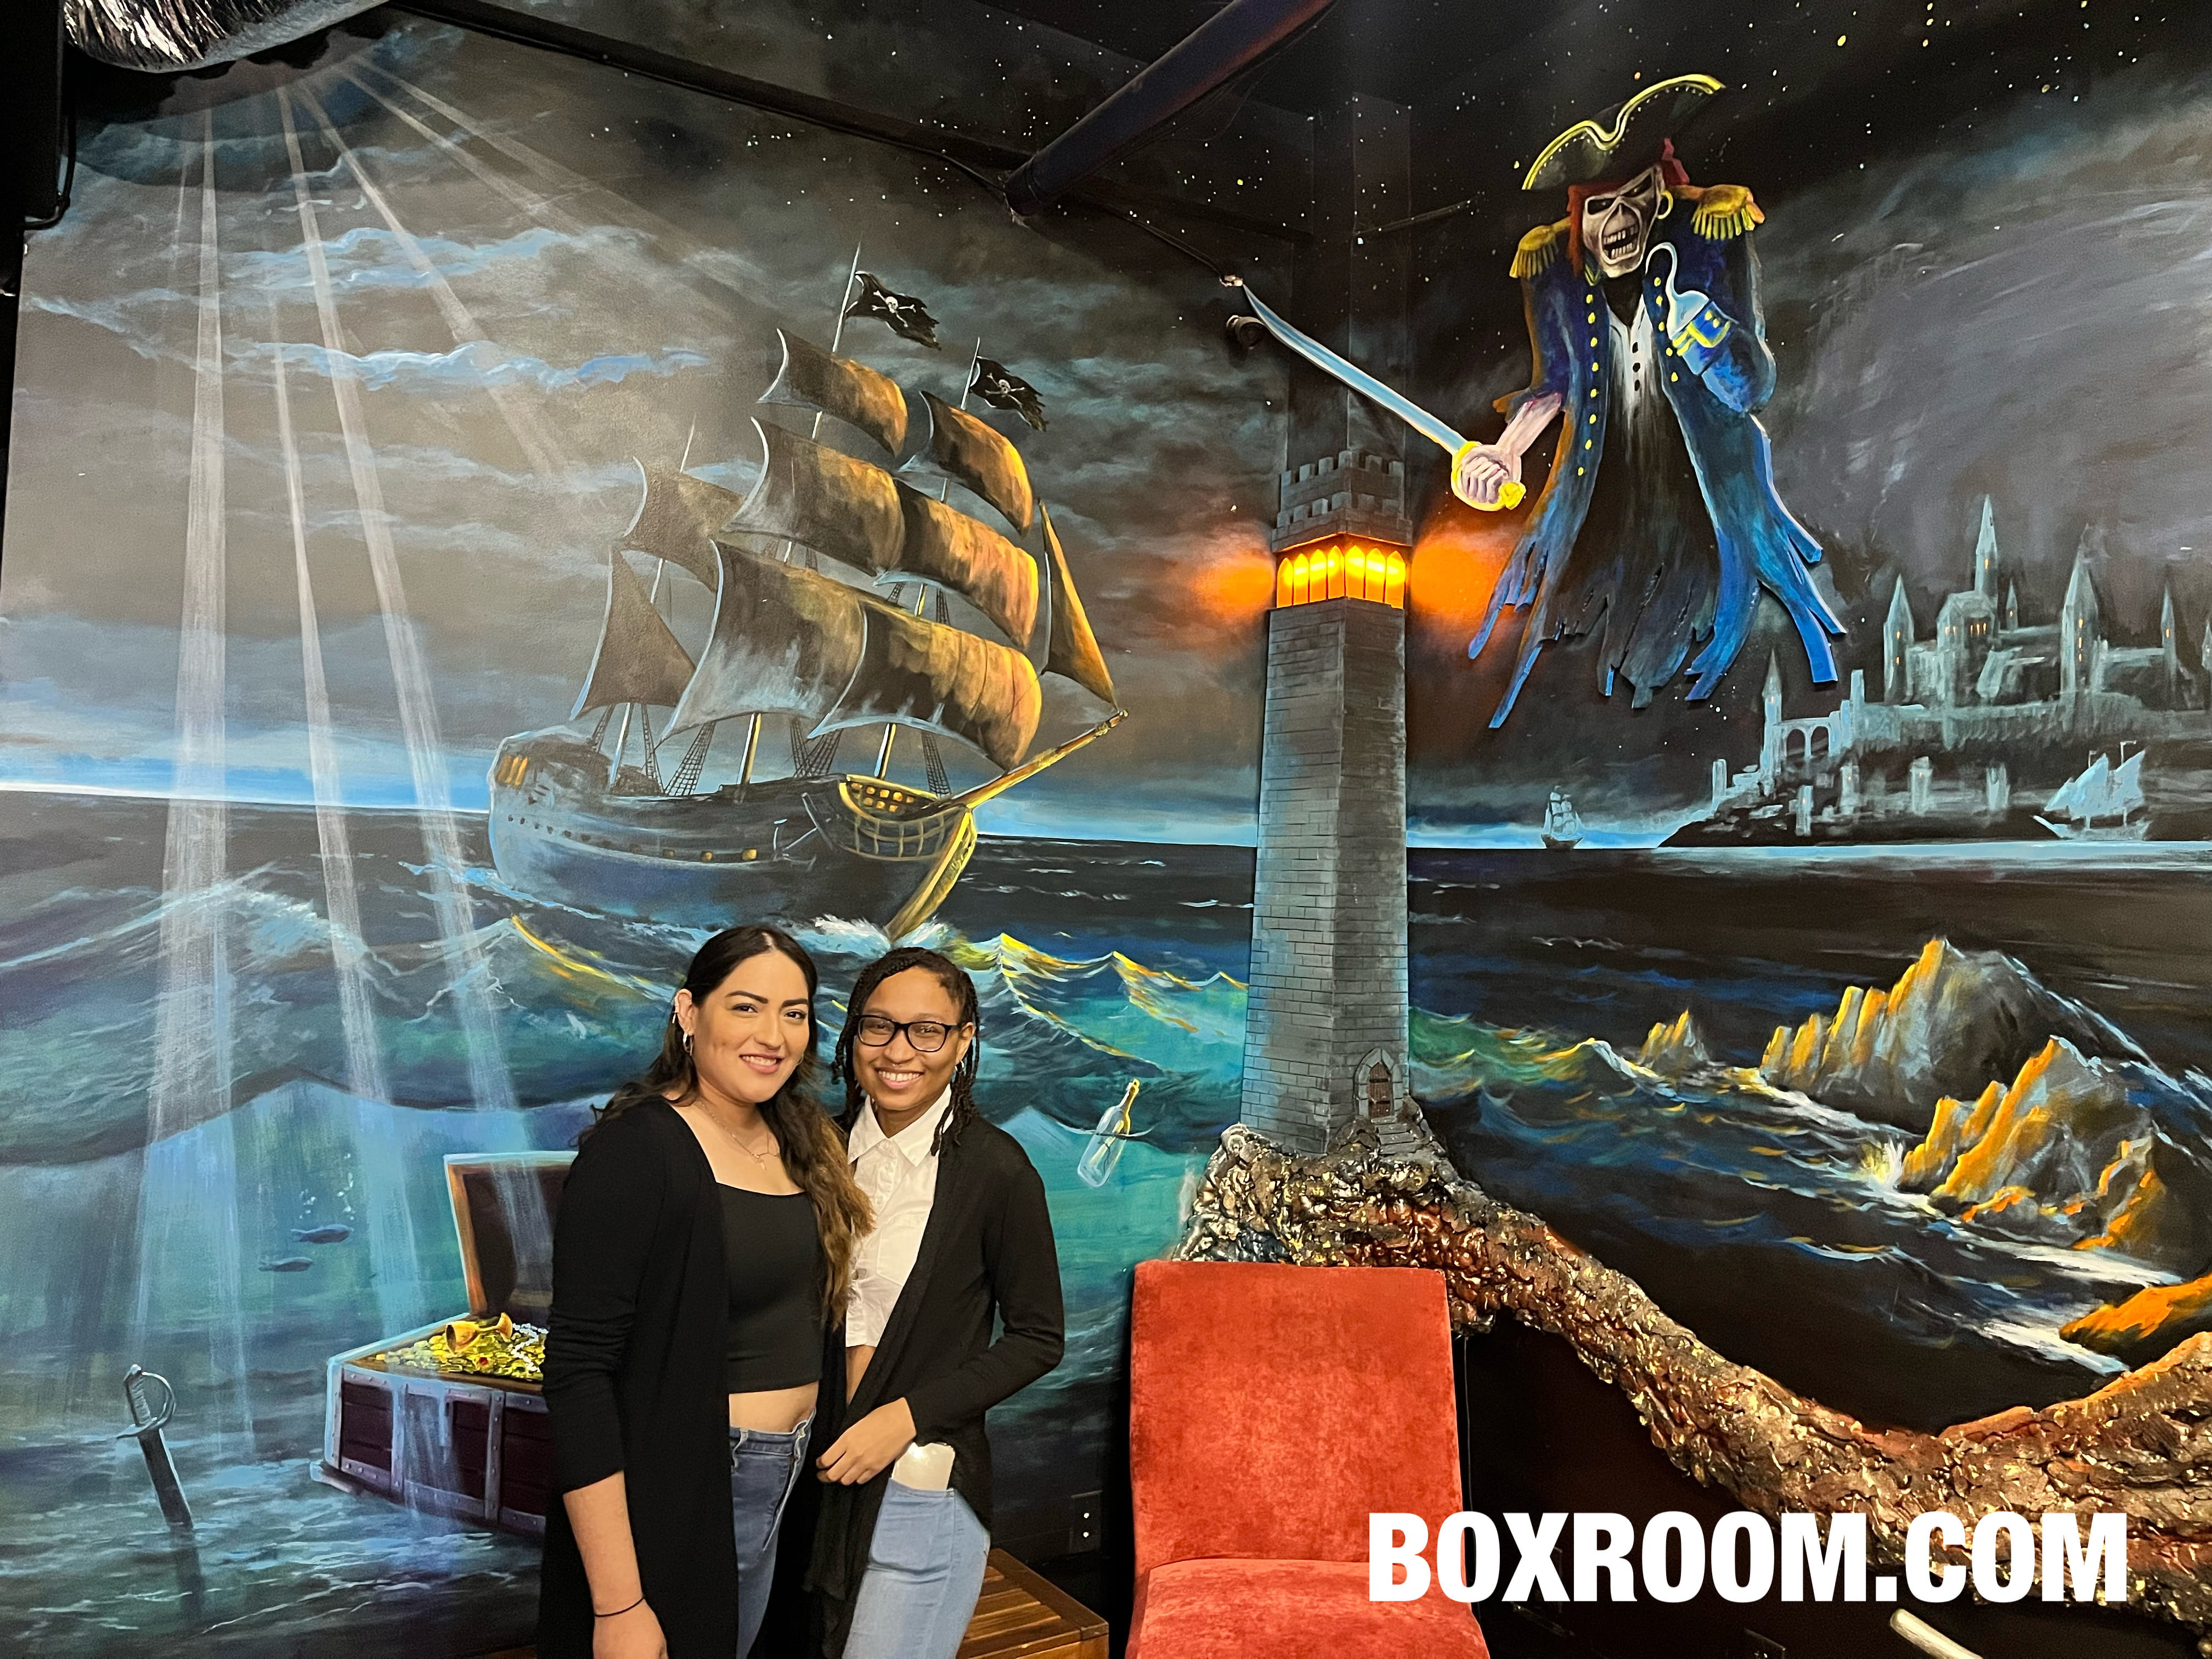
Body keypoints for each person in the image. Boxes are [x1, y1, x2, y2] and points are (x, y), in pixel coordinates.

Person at [1457, 72, 1844, 725]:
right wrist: (1506, 450)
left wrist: (1710, 336)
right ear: (1579, 219)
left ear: (1660, 196)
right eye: (1601, 208)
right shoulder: (1555, 270)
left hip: (1707, 500)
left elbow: (1752, 387)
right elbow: (1555, 382)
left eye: (1636, 197)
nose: (1620, 222)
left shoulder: (1710, 231)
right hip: (1601, 501)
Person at [539, 924, 873, 1659]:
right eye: (746, 1007)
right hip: (688, 1486)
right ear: (689, 1012)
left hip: (791, 1475)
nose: (774, 1036)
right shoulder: (637, 1151)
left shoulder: (803, 1138)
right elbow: (577, 1375)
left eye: (794, 1013)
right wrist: (619, 1603)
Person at [806, 946, 1065, 1658]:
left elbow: (1039, 1338)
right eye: (879, 1026)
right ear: (852, 1035)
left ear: (963, 1040)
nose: (899, 1052)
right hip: (806, 1492)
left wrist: (904, 1417)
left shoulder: (996, 1171)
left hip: (917, 1488)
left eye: (927, 1031)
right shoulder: (813, 1152)